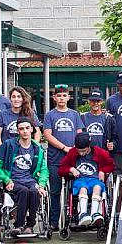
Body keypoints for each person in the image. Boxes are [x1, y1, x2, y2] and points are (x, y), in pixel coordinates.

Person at [0, 119, 48, 235]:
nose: (25, 131)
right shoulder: (8, 145)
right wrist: (7, 180)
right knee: (23, 191)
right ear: (18, 131)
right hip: (12, 180)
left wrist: (42, 185)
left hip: (31, 180)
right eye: (21, 129)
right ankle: (19, 225)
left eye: (27, 128)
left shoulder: (37, 148)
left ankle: (30, 225)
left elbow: (43, 169)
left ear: (32, 129)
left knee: (34, 191)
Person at [43, 84, 84, 227]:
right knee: (55, 191)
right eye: (59, 95)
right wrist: (64, 147)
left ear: (68, 97)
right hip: (55, 159)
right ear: (54, 98)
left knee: (74, 189)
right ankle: (54, 222)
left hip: (72, 159)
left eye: (64, 95)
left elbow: (79, 134)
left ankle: (73, 219)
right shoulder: (50, 115)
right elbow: (47, 135)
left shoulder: (74, 114)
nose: (61, 98)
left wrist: (76, 148)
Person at [58, 132, 114, 226]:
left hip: (95, 179)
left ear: (89, 147)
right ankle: (82, 213)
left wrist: (102, 171)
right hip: (80, 180)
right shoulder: (72, 152)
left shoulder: (100, 152)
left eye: (83, 151)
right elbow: (61, 169)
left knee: (97, 187)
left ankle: (95, 213)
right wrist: (71, 169)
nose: (81, 153)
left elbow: (111, 165)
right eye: (79, 151)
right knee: (83, 188)